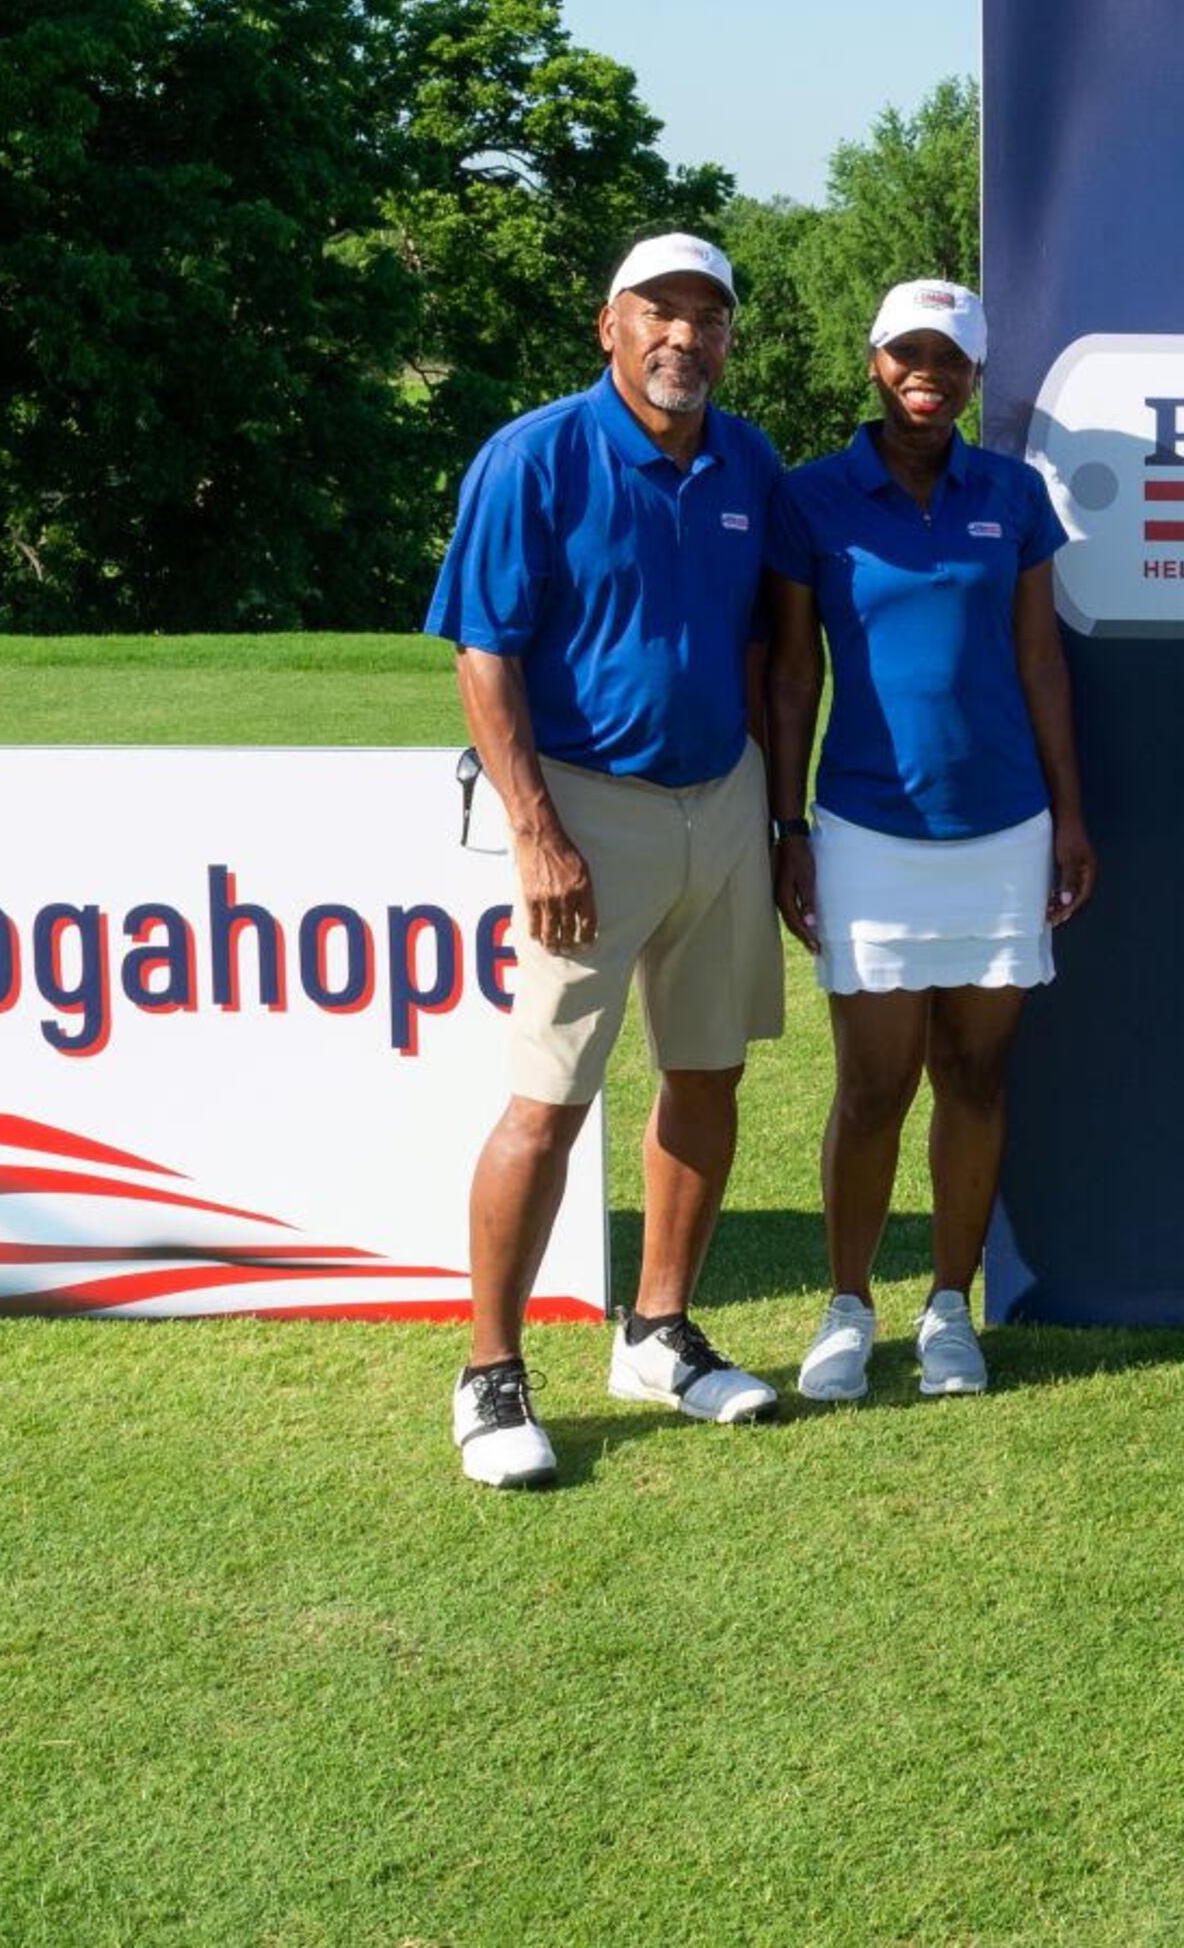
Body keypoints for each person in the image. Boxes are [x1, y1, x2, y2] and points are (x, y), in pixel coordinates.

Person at [430, 233, 789, 1491]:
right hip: (586, 807)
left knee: (708, 1073)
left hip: (722, 797)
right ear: (609, 326)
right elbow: (485, 653)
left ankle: (658, 1332)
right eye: (660, 312)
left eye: (708, 316)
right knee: (550, 1099)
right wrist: (537, 829)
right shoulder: (534, 455)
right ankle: (490, 1370)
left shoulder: (748, 460)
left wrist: (775, 815)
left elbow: (765, 643)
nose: (684, 337)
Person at [762, 278, 1096, 1405]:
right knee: (872, 1081)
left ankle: (950, 1305)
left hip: (1004, 825)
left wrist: (1070, 814)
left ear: (973, 376)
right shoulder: (815, 497)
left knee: (976, 1071)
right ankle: (848, 1305)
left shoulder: (1013, 492)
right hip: (864, 824)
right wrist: (786, 822)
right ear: (874, 362)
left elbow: (1041, 660)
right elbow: (794, 668)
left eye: (948, 358)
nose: (928, 373)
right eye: (909, 353)